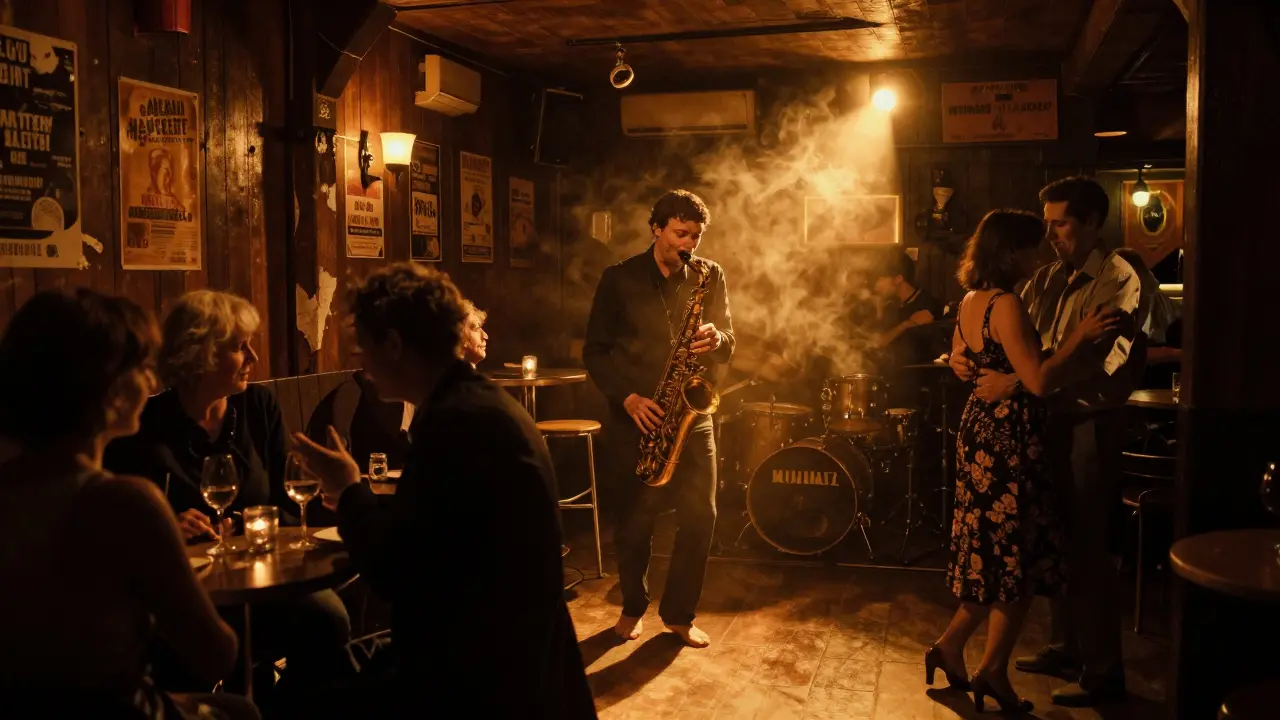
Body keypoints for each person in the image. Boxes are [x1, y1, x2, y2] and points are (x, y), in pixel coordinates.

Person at [290, 263, 596, 718]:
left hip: (481, 681)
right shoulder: (475, 404)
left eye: (364, 346)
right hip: (512, 657)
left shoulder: (458, 424)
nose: (361, 362)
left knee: (296, 700)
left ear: (393, 345)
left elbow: (396, 572)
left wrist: (350, 489)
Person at [0, 288, 256, 719]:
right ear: (109, 389)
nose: (154, 382)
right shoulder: (125, 502)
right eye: (141, 368)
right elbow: (217, 653)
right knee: (240, 710)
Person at [103, 290, 352, 705]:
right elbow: (120, 527)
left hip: (264, 576)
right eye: (240, 347)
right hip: (189, 589)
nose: (254, 357)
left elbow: (290, 502)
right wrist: (170, 526)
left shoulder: (258, 405)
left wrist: (256, 522)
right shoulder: (143, 426)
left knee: (329, 620)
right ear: (198, 354)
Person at [951, 177, 1144, 707]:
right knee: (1052, 541)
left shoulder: (1118, 277)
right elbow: (1014, 339)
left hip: (1088, 422)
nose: (1051, 234)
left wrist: (1016, 379)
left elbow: (1096, 359)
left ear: (1091, 223)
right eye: (1049, 224)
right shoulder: (1045, 279)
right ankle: (1064, 647)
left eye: (1061, 224)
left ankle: (1103, 670)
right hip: (1040, 423)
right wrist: (968, 356)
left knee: (1087, 544)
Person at [584, 189, 735, 648]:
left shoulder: (709, 276)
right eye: (680, 233)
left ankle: (679, 615)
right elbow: (594, 350)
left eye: (696, 235)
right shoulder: (619, 278)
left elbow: (730, 341)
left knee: (702, 516)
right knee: (634, 521)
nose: (689, 244)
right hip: (638, 415)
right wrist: (627, 398)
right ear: (656, 228)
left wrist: (718, 338)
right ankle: (632, 606)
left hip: (691, 414)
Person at [871, 250, 944, 364]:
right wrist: (906, 324)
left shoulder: (927, 304)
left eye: (879, 279)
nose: (875, 285)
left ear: (898, 278)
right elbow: (876, 343)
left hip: (917, 376)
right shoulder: (890, 306)